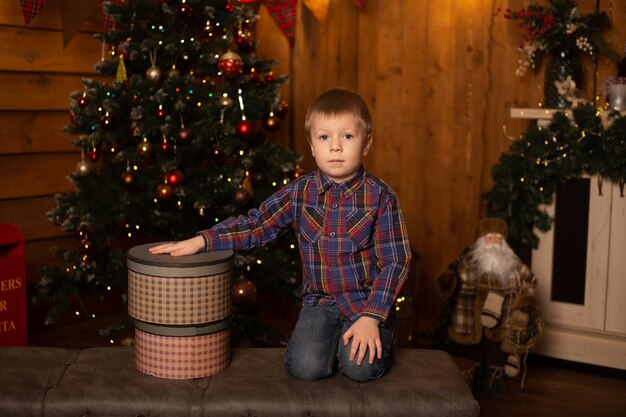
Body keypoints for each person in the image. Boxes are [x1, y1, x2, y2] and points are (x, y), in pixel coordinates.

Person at [150, 88, 412, 382]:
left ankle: (365, 335)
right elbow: (257, 225)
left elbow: (395, 261)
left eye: (347, 136)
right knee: (305, 367)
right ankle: (334, 341)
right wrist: (203, 240)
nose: (335, 147)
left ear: (366, 143)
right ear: (312, 146)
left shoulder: (380, 197)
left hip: (366, 302)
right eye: (324, 137)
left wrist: (372, 316)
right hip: (320, 303)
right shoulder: (300, 192)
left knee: (360, 369)